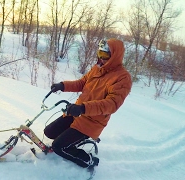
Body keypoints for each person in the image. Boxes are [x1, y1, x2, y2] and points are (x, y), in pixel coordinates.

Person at [44, 38, 132, 170]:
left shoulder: (122, 78)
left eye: (105, 55)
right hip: (76, 112)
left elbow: (112, 104)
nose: (101, 59)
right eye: (100, 54)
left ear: (115, 56)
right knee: (49, 132)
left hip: (91, 121)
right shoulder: (97, 69)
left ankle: (89, 161)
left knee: (58, 147)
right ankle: (68, 141)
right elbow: (82, 83)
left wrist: (83, 108)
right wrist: (62, 86)